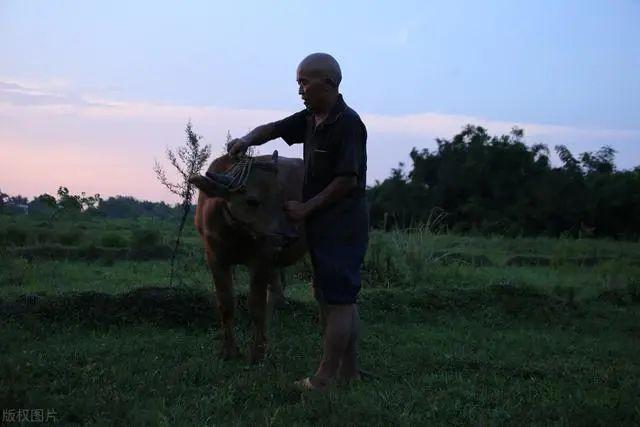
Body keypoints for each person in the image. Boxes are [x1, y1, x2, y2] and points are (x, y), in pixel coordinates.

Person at [228, 52, 368, 390]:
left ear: (329, 83)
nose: (300, 90)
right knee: (332, 297)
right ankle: (348, 372)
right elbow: (274, 129)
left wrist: (307, 208)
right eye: (298, 83)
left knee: (339, 301)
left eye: (305, 82)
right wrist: (247, 140)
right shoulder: (310, 119)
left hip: (343, 222)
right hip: (320, 222)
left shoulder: (348, 124)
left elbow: (347, 179)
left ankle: (324, 378)